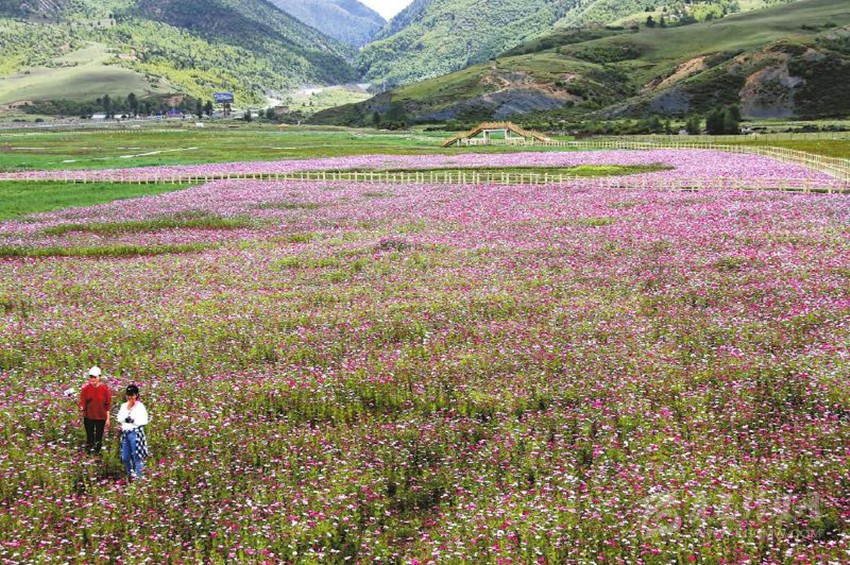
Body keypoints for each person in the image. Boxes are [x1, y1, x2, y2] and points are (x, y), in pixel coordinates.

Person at [116, 384, 150, 481]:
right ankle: (131, 474)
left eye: (132, 395)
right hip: (125, 433)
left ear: (136, 395)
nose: (130, 397)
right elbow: (119, 418)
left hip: (135, 433)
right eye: (128, 395)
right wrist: (125, 420)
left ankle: (140, 478)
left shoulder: (140, 406)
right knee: (125, 457)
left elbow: (144, 420)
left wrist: (133, 421)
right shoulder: (124, 406)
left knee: (137, 457)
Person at [78, 366, 112, 455]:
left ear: (99, 377)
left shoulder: (104, 389)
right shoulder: (86, 389)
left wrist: (108, 418)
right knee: (90, 437)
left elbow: (107, 405)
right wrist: (82, 407)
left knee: (98, 437)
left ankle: (97, 454)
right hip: (89, 417)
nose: (92, 379)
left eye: (94, 377)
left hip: (101, 417)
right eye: (91, 377)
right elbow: (82, 402)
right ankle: (88, 454)